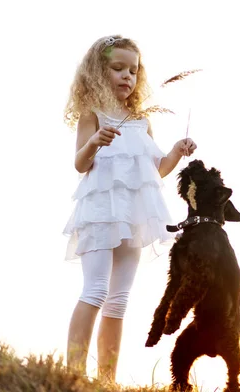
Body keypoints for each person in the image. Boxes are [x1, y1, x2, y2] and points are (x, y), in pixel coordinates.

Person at [62, 35, 197, 382]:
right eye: (117, 68)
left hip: (133, 216)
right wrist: (94, 141)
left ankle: (106, 380)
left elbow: (156, 171)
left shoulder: (141, 122)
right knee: (95, 289)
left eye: (133, 71)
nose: (127, 76)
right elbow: (80, 164)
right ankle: (72, 375)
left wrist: (176, 152)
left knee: (119, 299)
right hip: (100, 212)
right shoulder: (92, 115)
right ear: (97, 71)